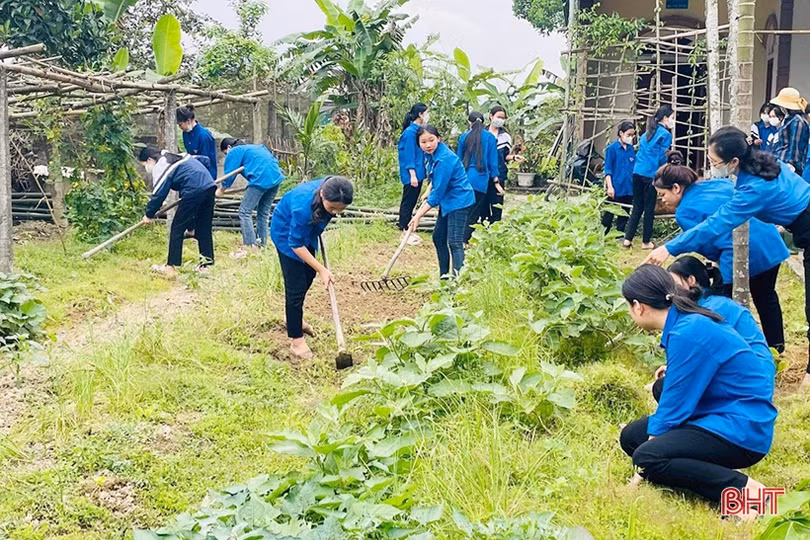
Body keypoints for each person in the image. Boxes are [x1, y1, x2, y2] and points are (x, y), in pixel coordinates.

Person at [645, 126, 810, 388]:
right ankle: (775, 350)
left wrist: (670, 247)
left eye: (714, 162)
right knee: (767, 296)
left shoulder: (752, 189)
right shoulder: (762, 164)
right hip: (781, 238)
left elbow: (716, 225)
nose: (712, 167)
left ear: (734, 161)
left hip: (801, 228)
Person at [618, 264, 776, 517]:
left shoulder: (688, 331)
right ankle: (696, 469)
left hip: (742, 425)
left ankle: (751, 496)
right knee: (631, 437)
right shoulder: (686, 321)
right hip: (720, 410)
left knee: (647, 457)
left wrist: (646, 462)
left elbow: (675, 405)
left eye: (628, 307)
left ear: (638, 306)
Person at [653, 150, 788, 352]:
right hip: (769, 242)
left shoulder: (685, 212)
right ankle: (776, 346)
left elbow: (704, 239)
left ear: (676, 188)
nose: (662, 200)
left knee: (726, 303)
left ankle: (734, 347)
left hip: (742, 251)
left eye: (663, 195)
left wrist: (720, 275)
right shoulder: (711, 184)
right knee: (766, 296)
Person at [649, 255, 776, 402]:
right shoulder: (712, 303)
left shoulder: (706, 311)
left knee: (664, 388)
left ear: (691, 280)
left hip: (751, 382)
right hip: (754, 375)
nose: (671, 293)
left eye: (674, 285)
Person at [270, 176, 354, 359]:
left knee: (308, 275)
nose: (336, 213)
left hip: (307, 232)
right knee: (295, 288)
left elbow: (321, 217)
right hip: (286, 235)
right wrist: (322, 269)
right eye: (332, 208)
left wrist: (316, 269)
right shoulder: (303, 207)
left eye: (341, 210)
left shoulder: (335, 188)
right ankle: (296, 340)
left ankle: (294, 319)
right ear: (322, 194)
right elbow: (295, 244)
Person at [138, 147, 217, 277]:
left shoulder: (161, 164)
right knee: (204, 227)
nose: (146, 168)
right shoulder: (178, 156)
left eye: (144, 165)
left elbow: (158, 193)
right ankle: (206, 265)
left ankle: (171, 266)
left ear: (150, 159)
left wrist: (149, 214)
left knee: (177, 228)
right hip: (209, 185)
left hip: (193, 190)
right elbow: (205, 160)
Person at [409, 125, 475, 278]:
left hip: (459, 201)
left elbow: (437, 194)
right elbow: (435, 178)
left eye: (431, 140)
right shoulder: (431, 155)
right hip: (447, 201)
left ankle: (459, 281)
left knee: (454, 242)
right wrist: (428, 190)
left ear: (438, 139)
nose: (428, 145)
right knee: (438, 237)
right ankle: (444, 277)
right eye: (423, 142)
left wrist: (418, 216)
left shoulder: (445, 159)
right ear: (418, 143)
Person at [218, 138, 286, 254]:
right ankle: (261, 245)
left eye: (225, 153)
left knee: (244, 211)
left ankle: (250, 246)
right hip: (275, 178)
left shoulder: (235, 151)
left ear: (228, 148)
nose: (226, 156)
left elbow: (230, 174)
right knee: (263, 213)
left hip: (260, 179)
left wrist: (221, 189)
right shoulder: (255, 148)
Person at [624, 105, 675, 249]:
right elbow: (662, 156)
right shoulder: (665, 135)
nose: (673, 121)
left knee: (637, 206)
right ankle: (646, 241)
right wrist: (665, 169)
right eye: (672, 118)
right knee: (649, 208)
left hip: (637, 172)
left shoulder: (646, 134)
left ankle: (627, 239)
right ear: (665, 118)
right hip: (650, 174)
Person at [457, 111, 501, 244]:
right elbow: (493, 162)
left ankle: (458, 238)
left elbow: (459, 160)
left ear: (469, 123)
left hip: (464, 179)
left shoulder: (463, 137)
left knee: (464, 210)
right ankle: (463, 240)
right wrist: (496, 181)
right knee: (474, 213)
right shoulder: (490, 138)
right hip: (480, 180)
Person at [397, 103, 429, 246]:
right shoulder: (410, 133)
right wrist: (412, 174)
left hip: (418, 172)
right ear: (420, 114)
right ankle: (403, 227)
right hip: (412, 173)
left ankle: (408, 226)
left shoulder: (418, 131)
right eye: (427, 112)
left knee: (412, 199)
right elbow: (408, 155)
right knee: (408, 200)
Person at [486, 106, 522, 224]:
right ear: (491, 116)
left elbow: (505, 156)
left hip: (499, 173)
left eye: (503, 118)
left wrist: (514, 157)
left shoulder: (505, 137)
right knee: (482, 205)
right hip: (483, 174)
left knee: (497, 205)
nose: (500, 120)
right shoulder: (482, 133)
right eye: (498, 117)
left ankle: (494, 229)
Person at [602, 120, 636, 236]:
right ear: (621, 133)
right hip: (616, 187)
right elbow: (608, 170)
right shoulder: (612, 149)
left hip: (628, 188)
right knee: (609, 213)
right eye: (629, 135)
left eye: (632, 135)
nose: (631, 137)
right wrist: (610, 186)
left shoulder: (631, 149)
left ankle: (619, 234)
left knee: (624, 213)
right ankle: (604, 234)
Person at [771, 87, 810, 176]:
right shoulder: (789, 119)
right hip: (781, 159)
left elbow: (795, 145)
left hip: (788, 164)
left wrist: (791, 163)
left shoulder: (797, 121)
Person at [177, 104, 218, 181]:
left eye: (180, 125)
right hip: (194, 172)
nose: (180, 127)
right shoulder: (185, 133)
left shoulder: (204, 136)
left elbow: (206, 161)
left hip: (206, 175)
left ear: (188, 121)